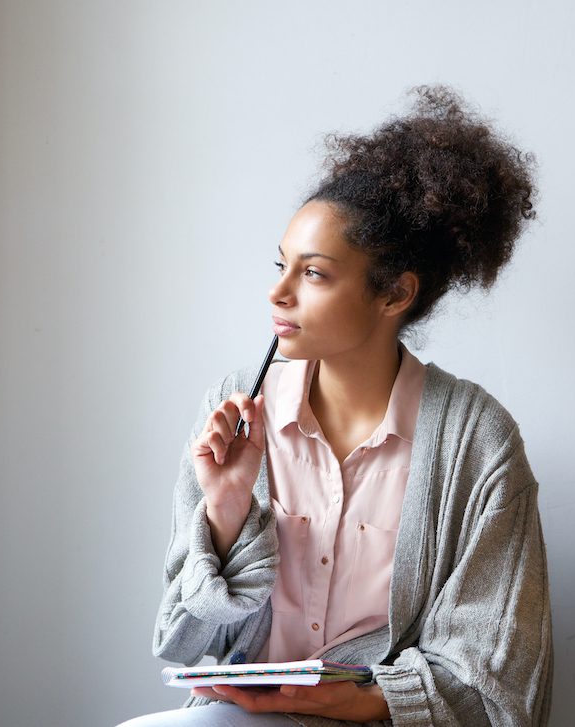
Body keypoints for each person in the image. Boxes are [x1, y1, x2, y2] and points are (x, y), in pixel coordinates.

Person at [119, 86, 552, 727]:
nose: (279, 292)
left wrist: (367, 700)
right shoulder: (237, 412)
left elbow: (497, 679)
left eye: (314, 273)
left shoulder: (477, 442)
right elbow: (181, 641)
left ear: (394, 293)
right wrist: (227, 510)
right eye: (281, 265)